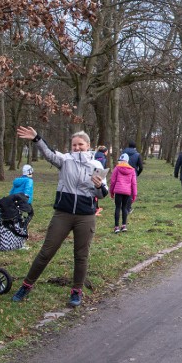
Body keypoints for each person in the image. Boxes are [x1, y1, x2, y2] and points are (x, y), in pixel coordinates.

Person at [12, 126, 108, 307]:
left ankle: (76, 291)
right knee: (46, 252)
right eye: (74, 145)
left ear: (88, 145)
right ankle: (26, 285)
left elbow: (103, 194)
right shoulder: (65, 160)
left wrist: (98, 187)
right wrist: (36, 139)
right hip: (63, 214)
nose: (77, 148)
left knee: (81, 255)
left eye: (81, 144)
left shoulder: (97, 166)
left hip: (85, 216)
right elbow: (48, 154)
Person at [110, 153, 137, 233]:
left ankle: (116, 227)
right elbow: (134, 183)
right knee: (125, 207)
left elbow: (113, 181)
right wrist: (134, 194)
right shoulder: (132, 170)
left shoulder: (116, 168)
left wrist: (111, 191)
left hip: (118, 191)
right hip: (127, 192)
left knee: (117, 207)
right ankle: (124, 225)